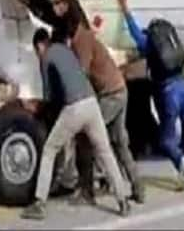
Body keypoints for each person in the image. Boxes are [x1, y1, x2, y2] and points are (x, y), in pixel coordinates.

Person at [21, 0, 144, 204]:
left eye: (59, 3)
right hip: (118, 88)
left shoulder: (81, 39)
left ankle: (87, 189)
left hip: (109, 93)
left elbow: (82, 75)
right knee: (118, 141)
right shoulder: (75, 27)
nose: (55, 7)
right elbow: (50, 14)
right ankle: (136, 187)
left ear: (68, 7)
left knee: (86, 137)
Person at [22, 29, 130, 220]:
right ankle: (123, 201)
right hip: (92, 104)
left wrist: (34, 107)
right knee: (105, 152)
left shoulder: (46, 58)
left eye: (37, 50)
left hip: (74, 108)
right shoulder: (66, 50)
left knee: (49, 150)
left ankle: (39, 203)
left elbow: (49, 98)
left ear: (40, 45)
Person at [116, 0, 184, 193]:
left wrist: (124, 5)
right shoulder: (168, 39)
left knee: (166, 140)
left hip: (168, 92)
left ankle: (182, 164)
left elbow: (133, 30)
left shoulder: (148, 42)